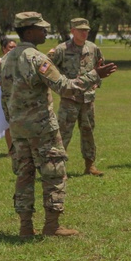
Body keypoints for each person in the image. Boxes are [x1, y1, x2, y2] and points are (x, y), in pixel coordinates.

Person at [0, 11, 116, 239]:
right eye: (41, 28)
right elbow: (66, 87)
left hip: (18, 128)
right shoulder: (37, 58)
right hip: (42, 128)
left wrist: (13, 122)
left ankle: (25, 228)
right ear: (29, 31)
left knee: (24, 175)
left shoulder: (6, 59)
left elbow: (4, 97)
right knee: (54, 173)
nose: (45, 31)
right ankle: (52, 226)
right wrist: (95, 75)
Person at [49, 18, 105, 176]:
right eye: (80, 30)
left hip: (88, 99)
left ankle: (90, 165)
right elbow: (49, 69)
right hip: (69, 100)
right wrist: (60, 85)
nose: (84, 32)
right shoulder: (62, 49)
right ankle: (57, 168)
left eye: (86, 30)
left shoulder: (93, 48)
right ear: (72, 31)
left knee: (88, 132)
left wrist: (96, 82)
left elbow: (100, 66)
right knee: (63, 134)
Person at [0, 36, 16, 153]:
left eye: (15, 47)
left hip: (17, 92)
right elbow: (2, 74)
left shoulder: (18, 60)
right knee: (8, 123)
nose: (13, 49)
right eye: (10, 47)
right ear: (4, 49)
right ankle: (11, 150)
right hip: (4, 93)